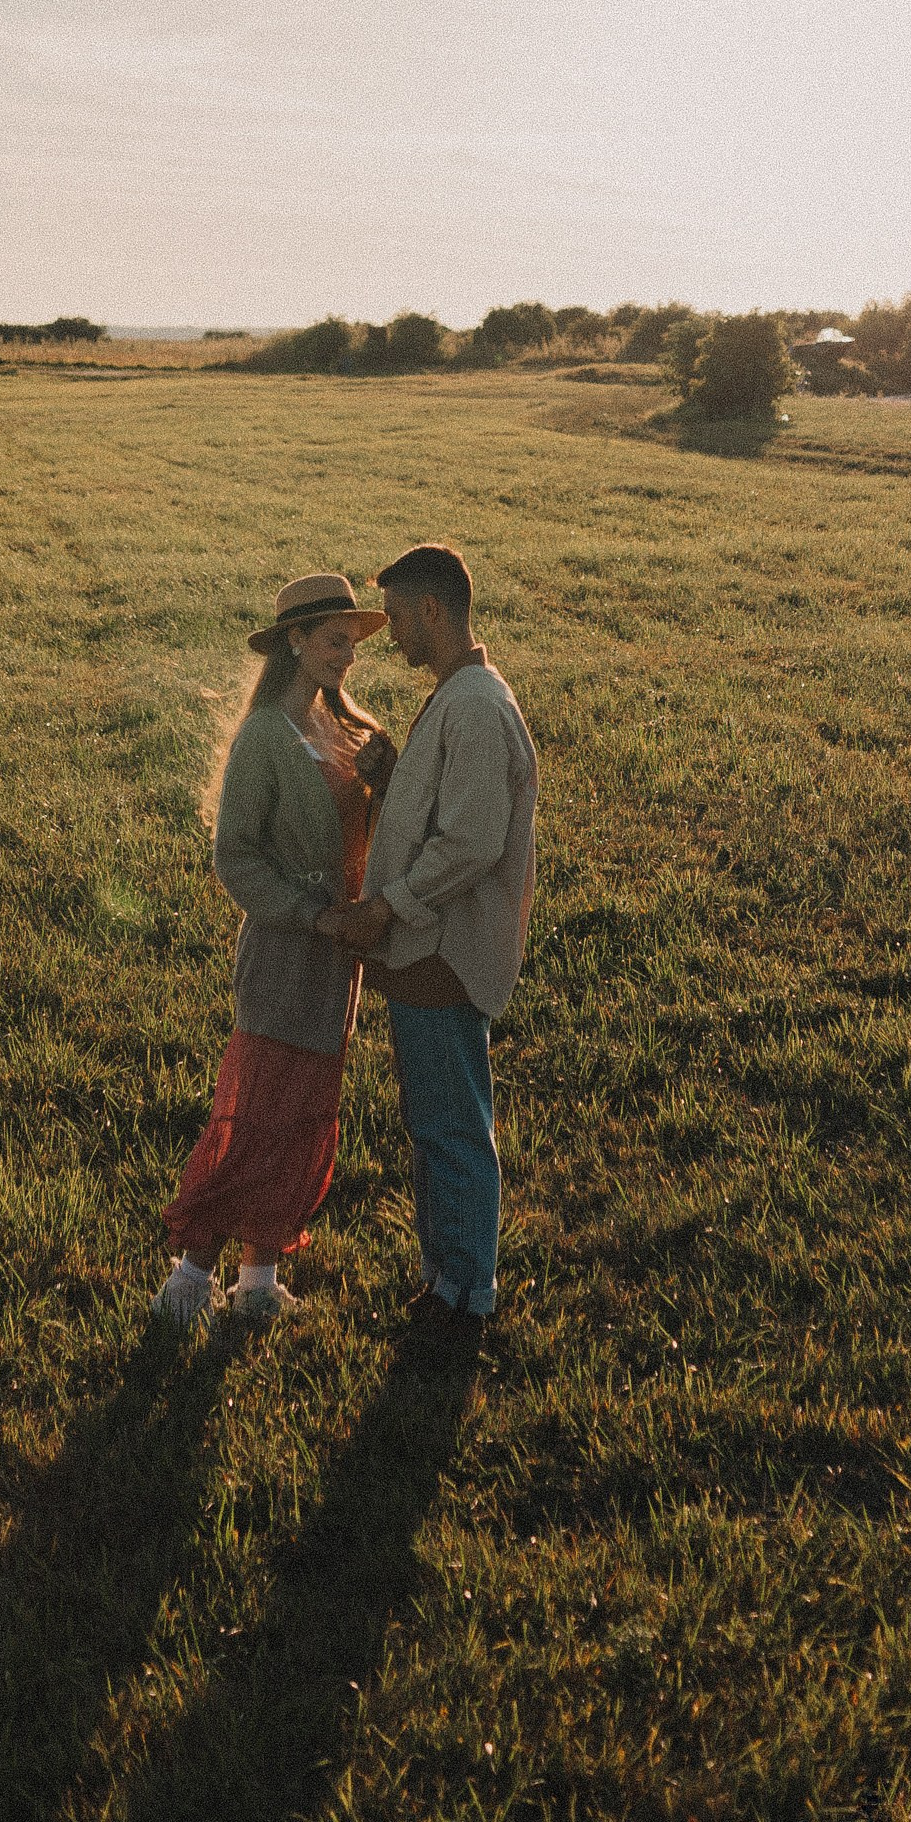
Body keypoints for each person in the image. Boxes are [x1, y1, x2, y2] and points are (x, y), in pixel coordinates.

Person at [151, 574, 396, 1333]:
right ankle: (189, 1282)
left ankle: (257, 1284)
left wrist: (384, 787)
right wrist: (313, 916)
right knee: (257, 1112)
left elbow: (374, 848)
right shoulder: (264, 738)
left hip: (338, 963)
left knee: (303, 1118)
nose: (346, 658)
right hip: (288, 953)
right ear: (294, 641)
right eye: (333, 641)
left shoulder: (351, 733)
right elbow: (237, 858)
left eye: (352, 645)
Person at [316, 542, 536, 1354]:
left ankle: (468, 1295)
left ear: (435, 612)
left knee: (450, 1126)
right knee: (434, 1118)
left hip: (440, 948)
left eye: (401, 618)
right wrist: (395, 776)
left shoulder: (475, 705)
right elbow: (450, 810)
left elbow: (473, 840)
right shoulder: (458, 697)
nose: (394, 635)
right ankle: (446, 1279)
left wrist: (389, 908)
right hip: (425, 947)